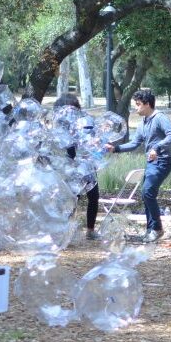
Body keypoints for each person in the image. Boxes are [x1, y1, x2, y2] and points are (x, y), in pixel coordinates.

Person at [105, 90, 171, 243]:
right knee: (146, 195)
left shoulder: (160, 118)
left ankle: (157, 229)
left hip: (163, 161)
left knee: (147, 192)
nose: (135, 108)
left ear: (147, 104)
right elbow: (134, 143)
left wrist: (156, 148)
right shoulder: (143, 122)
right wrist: (115, 148)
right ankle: (151, 230)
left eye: (138, 105)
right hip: (151, 163)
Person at [53, 93, 99, 240]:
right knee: (74, 198)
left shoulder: (83, 120)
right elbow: (65, 145)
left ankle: (89, 230)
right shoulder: (63, 123)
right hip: (73, 166)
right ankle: (66, 230)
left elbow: (90, 140)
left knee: (91, 197)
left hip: (85, 165)